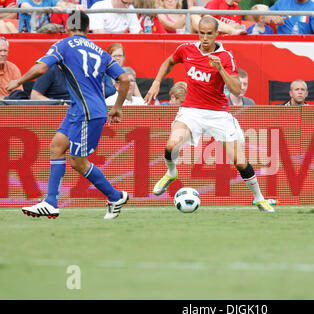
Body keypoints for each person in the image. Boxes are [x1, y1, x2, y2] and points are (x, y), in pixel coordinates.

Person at [6, 11, 130, 219]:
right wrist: (117, 106)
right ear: (87, 29)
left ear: (68, 28)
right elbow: (125, 79)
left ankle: (115, 196)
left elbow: (43, 67)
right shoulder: (100, 51)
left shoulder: (63, 44)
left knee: (78, 162)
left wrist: (18, 82)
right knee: (56, 146)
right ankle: (51, 202)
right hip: (84, 109)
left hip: (85, 112)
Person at [144, 16, 275, 212]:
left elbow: (237, 90)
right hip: (191, 111)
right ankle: (171, 173)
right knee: (172, 144)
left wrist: (220, 69)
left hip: (218, 113)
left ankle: (258, 197)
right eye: (201, 33)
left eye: (209, 34)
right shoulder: (186, 49)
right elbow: (169, 62)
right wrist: (156, 82)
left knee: (239, 161)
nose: (205, 38)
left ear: (216, 34)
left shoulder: (226, 57)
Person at [17, 0, 83, 33]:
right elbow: (30, 10)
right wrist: (50, 9)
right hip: (27, 35)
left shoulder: (49, 0)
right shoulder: (23, 1)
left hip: (45, 34)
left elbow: (63, 4)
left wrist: (76, 7)